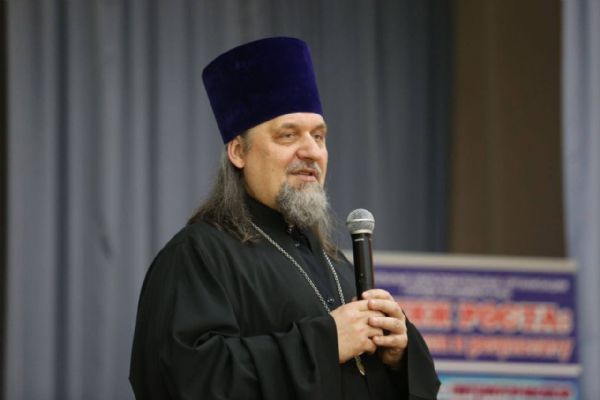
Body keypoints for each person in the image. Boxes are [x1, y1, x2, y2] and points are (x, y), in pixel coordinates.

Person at [129, 37, 440, 400]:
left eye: (319, 136)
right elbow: (181, 380)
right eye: (288, 135)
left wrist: (398, 358)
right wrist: (325, 343)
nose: (311, 151)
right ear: (239, 152)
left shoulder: (335, 263)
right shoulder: (198, 255)